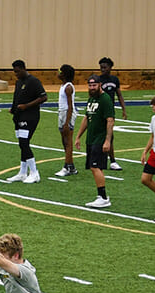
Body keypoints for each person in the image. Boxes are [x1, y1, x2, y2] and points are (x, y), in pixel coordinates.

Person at [73, 75, 115, 208]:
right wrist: (79, 136)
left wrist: (107, 140)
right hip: (91, 137)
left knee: (95, 166)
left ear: (100, 85)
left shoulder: (105, 99)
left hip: (100, 138)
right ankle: (102, 196)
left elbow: (110, 120)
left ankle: (102, 197)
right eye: (90, 85)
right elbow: (86, 117)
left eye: (94, 85)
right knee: (95, 167)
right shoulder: (91, 98)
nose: (92, 87)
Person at [8, 60, 47, 183]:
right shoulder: (19, 82)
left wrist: (27, 106)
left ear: (24, 68)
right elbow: (17, 98)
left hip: (30, 117)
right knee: (22, 143)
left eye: (17, 71)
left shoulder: (34, 81)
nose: (16, 74)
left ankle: (34, 173)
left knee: (24, 143)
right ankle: (22, 172)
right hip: (19, 117)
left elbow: (43, 97)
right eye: (14, 72)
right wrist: (13, 109)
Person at [96, 57, 126, 171]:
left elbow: (119, 95)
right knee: (99, 135)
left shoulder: (115, 80)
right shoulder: (98, 79)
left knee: (110, 136)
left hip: (110, 111)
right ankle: (99, 159)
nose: (103, 69)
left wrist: (123, 109)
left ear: (110, 67)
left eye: (105, 67)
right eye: (101, 67)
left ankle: (112, 161)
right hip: (100, 111)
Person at [53, 64, 79, 177]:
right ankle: (71, 165)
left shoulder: (68, 87)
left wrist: (67, 122)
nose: (57, 73)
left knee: (68, 141)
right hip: (62, 112)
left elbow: (70, 106)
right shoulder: (63, 85)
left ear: (64, 74)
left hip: (67, 113)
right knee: (64, 141)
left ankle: (67, 167)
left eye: (59, 71)